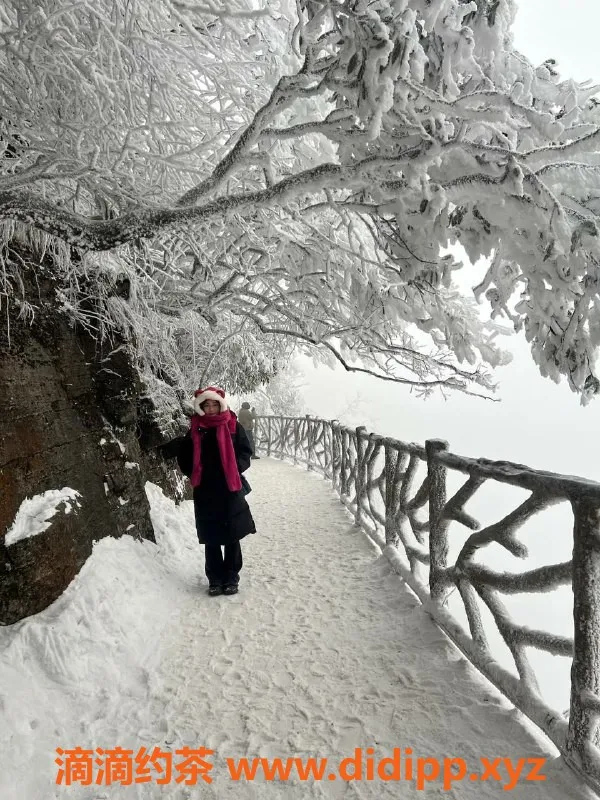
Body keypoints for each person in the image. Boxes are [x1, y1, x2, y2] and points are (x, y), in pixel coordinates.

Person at [161, 386, 256, 596]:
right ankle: (215, 579)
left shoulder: (233, 425)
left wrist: (234, 468)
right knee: (211, 535)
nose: (211, 409)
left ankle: (231, 577)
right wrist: (194, 473)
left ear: (221, 405)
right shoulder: (196, 429)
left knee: (232, 534)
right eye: (207, 405)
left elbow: (245, 451)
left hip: (229, 487)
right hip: (206, 490)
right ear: (201, 407)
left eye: (214, 404)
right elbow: (184, 456)